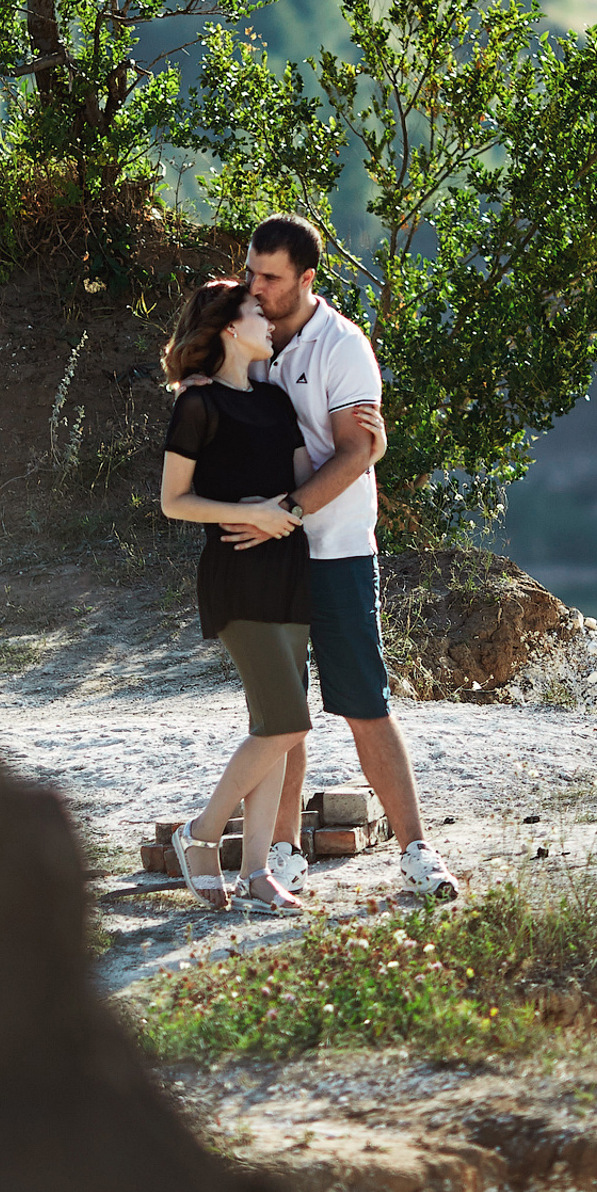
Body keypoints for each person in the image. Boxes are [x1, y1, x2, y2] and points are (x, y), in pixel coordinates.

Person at [214, 214, 461, 902]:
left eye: (271, 277)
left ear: (307, 279)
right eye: (251, 270)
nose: (255, 286)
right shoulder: (245, 330)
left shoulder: (342, 345)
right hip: (267, 560)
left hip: (336, 550)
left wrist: (284, 514)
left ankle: (416, 852)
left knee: (363, 704)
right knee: (281, 718)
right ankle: (284, 854)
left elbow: (356, 452)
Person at [154, 277, 373, 912]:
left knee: (271, 727)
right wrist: (246, 511)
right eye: (256, 312)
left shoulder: (277, 403)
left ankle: (255, 874)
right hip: (236, 575)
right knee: (287, 722)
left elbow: (305, 482)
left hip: (288, 571)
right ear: (228, 327)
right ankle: (199, 835)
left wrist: (367, 453)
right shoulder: (198, 406)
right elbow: (174, 502)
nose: (268, 321)